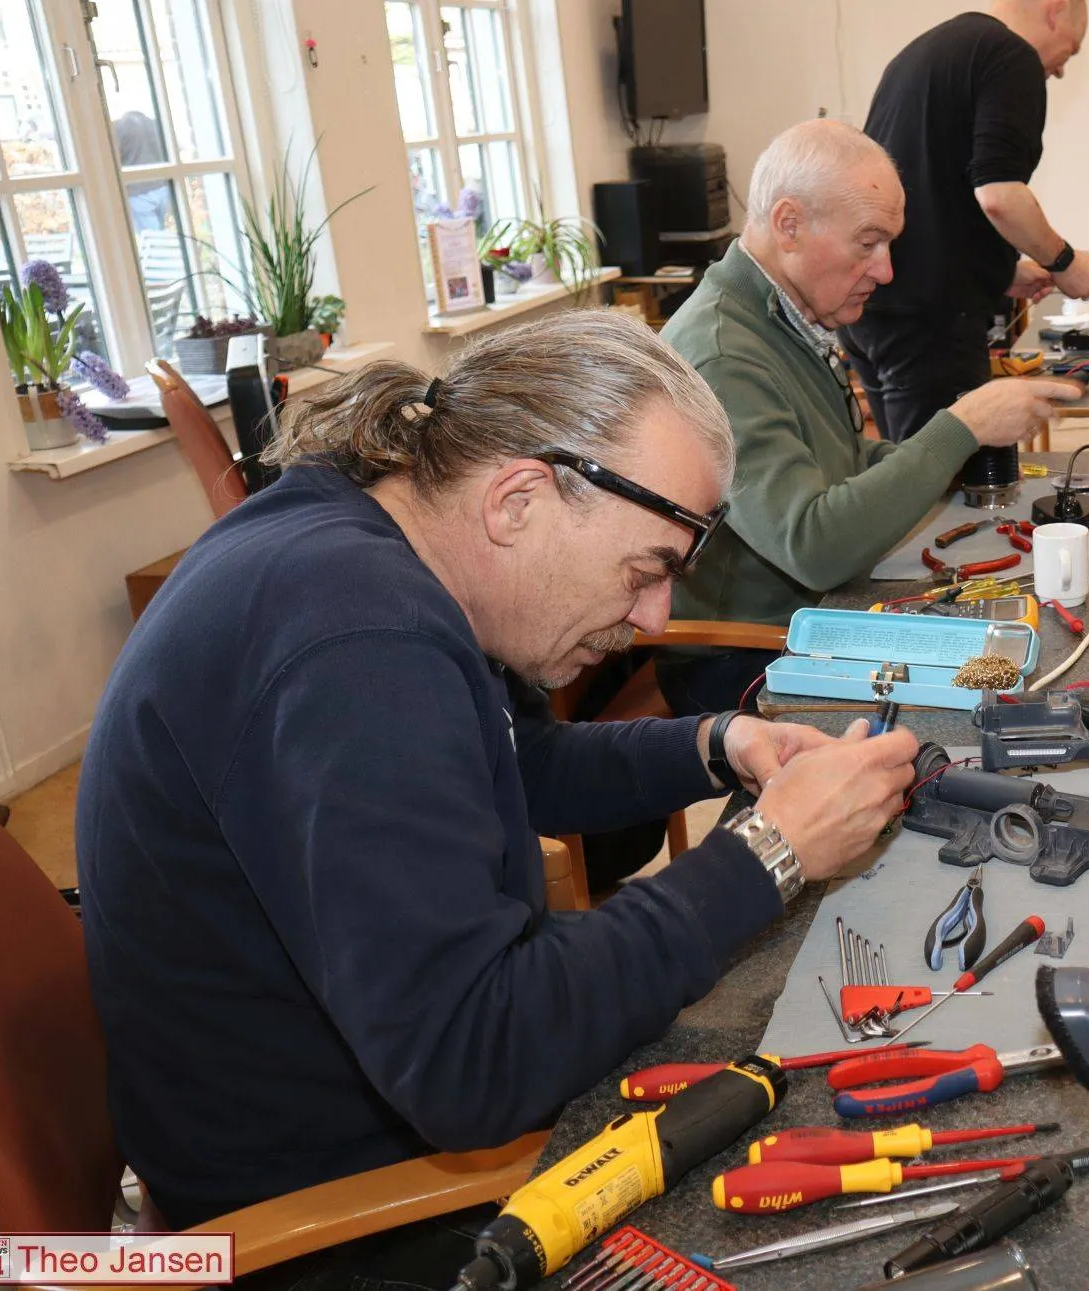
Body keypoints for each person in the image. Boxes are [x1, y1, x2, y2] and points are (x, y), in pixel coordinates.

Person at [75, 311, 922, 1235]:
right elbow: (473, 1058)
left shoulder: (368, 540)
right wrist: (771, 852)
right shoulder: (359, 647)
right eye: (646, 569)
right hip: (334, 1213)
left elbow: (517, 760)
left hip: (336, 1100)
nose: (654, 616)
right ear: (518, 499)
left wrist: (717, 744)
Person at [658, 119, 1080, 714]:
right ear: (789, 226)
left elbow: (845, 462)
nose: (885, 271)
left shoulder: (783, 315)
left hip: (818, 616)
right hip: (750, 655)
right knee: (1008, 694)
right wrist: (958, 428)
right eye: (867, 243)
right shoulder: (724, 352)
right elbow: (815, 544)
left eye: (890, 244)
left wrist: (955, 460)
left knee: (1027, 655)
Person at [847, 0, 1089, 446]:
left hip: (873, 308)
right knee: (947, 483)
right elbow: (999, 195)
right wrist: (1065, 261)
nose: (1064, 69)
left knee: (906, 477)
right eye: (1073, 47)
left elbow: (931, 191)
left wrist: (998, 270)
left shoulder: (926, 51)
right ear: (1055, 10)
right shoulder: (1011, 57)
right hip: (930, 325)